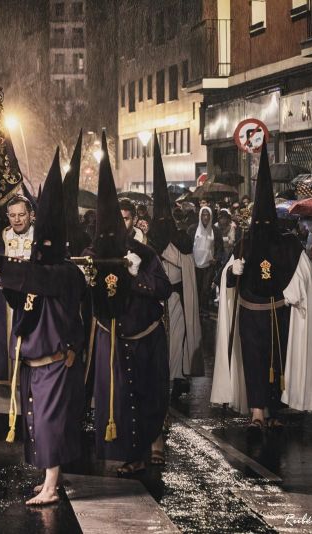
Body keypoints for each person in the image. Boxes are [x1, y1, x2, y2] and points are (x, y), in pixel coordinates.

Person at [211, 144, 312, 428]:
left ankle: (270, 409)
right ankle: (257, 410)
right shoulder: (244, 242)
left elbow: (303, 273)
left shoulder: (286, 243)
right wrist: (231, 272)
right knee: (254, 359)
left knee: (277, 361)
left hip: (276, 313)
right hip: (250, 314)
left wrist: (292, 293)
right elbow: (228, 277)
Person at [0, 149, 86, 506]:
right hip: (34, 361)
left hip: (55, 361)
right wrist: (4, 285)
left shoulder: (65, 273)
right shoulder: (41, 273)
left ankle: (52, 486)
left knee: (49, 424)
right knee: (36, 422)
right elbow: (25, 299)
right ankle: (49, 480)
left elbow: (37, 279)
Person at [87, 150, 172, 474]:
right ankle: (129, 454)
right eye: (115, 218)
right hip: (114, 336)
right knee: (121, 399)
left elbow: (163, 289)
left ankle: (154, 444)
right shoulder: (94, 253)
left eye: (125, 219)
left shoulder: (145, 253)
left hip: (146, 334)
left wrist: (136, 278)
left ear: (133, 221)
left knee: (151, 393)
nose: (120, 224)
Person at [147, 137, 203, 399]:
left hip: (176, 296)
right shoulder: (148, 240)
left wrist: (167, 249)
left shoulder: (180, 238)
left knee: (178, 337)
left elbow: (186, 263)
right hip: (156, 298)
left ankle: (178, 376)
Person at [0, 195, 35, 413]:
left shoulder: (38, 240)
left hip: (31, 303)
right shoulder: (2, 242)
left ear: (31, 215)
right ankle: (4, 412)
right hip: (7, 306)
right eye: (12, 215)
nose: (17, 220)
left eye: (21, 215)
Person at [190, 206, 223, 316]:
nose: (205, 217)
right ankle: (196, 308)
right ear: (200, 216)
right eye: (203, 214)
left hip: (209, 265)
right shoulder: (192, 229)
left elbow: (220, 247)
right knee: (196, 287)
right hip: (194, 264)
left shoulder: (215, 231)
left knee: (205, 288)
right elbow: (187, 245)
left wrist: (216, 258)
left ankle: (204, 308)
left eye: (207, 215)